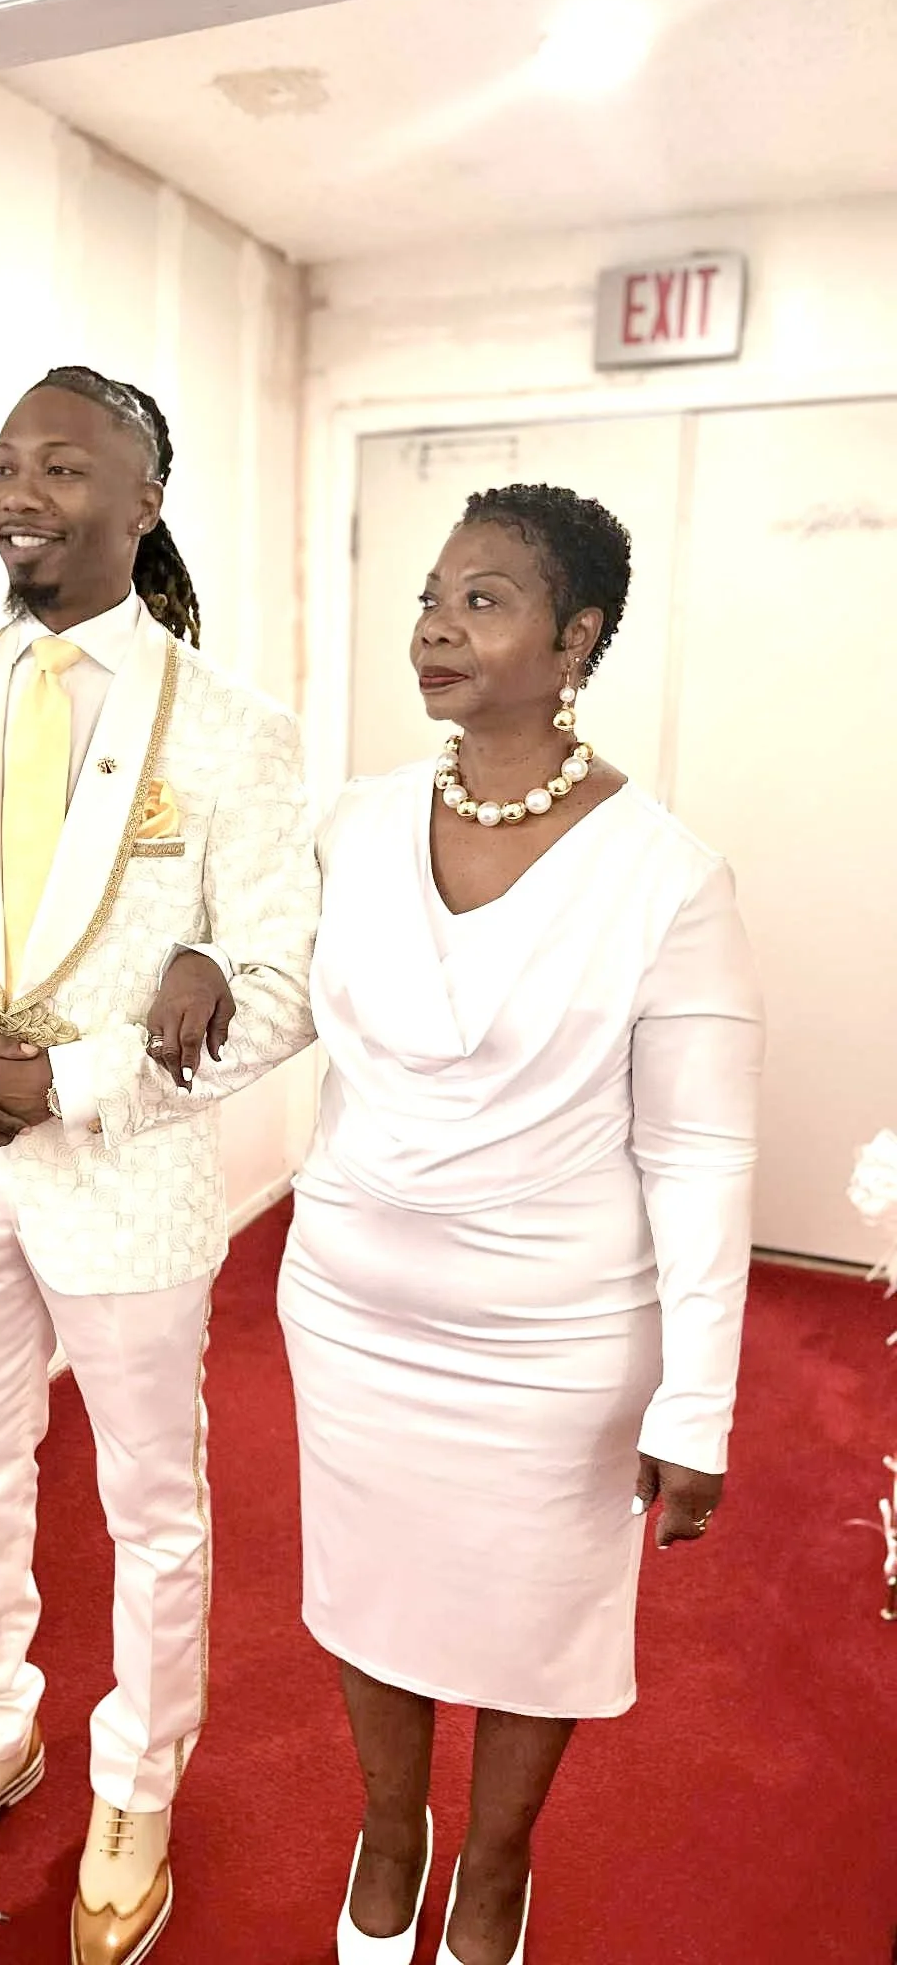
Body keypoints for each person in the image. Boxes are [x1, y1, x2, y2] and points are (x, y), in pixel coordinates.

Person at [0, 365, 319, 1964]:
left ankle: (140, 1769)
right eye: (2, 463)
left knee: (150, 1505)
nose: (17, 493)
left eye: (61, 465)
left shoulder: (238, 729)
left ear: (144, 498)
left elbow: (279, 985)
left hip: (121, 1174)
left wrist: (76, 1075)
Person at [276, 484, 764, 1965]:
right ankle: (386, 1836)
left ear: (579, 638)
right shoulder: (353, 827)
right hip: (354, 1312)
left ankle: (493, 1873)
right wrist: (148, 1023)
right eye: (433, 594)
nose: (437, 622)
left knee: (533, 1615)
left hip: (556, 1341)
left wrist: (701, 1398)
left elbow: (700, 1150)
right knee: (370, 1594)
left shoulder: (669, 876)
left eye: (484, 599)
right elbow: (262, 1022)